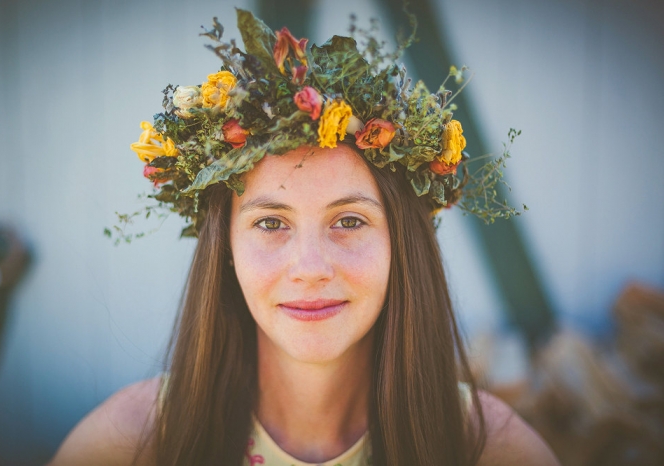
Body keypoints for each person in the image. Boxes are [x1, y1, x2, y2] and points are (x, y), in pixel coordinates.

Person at [50, 9, 560, 466]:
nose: (311, 266)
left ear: (400, 244)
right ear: (224, 247)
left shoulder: (489, 450)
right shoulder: (130, 445)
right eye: (270, 223)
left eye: (350, 221)